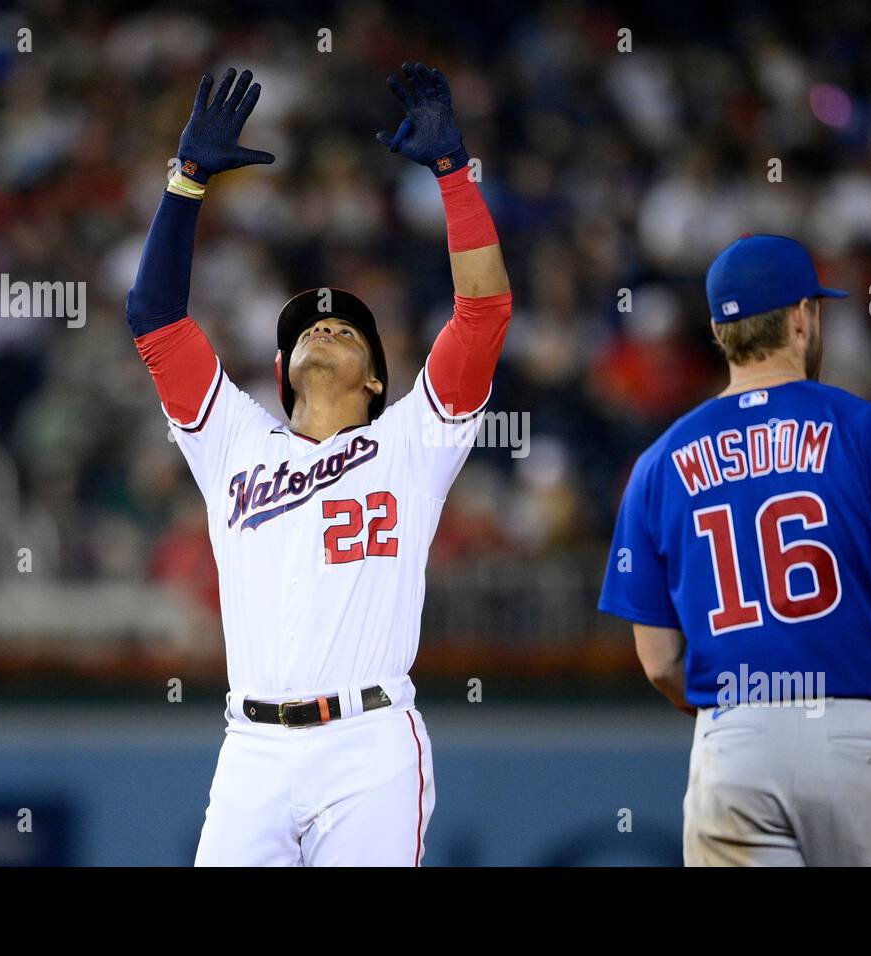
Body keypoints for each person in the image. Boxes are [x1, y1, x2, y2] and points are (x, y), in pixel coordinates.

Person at [126, 63, 512, 865]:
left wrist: (453, 176)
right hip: (252, 748)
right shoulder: (231, 437)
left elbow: (483, 314)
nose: (325, 327)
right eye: (308, 326)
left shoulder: (413, 442)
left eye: (346, 328)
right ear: (279, 372)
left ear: (377, 376)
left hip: (368, 744)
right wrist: (187, 181)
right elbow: (154, 318)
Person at [598, 234, 871, 865]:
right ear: (802, 317)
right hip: (857, 740)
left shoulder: (657, 465)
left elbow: (658, 662)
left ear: (718, 329)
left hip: (731, 745)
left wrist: (744, 711)